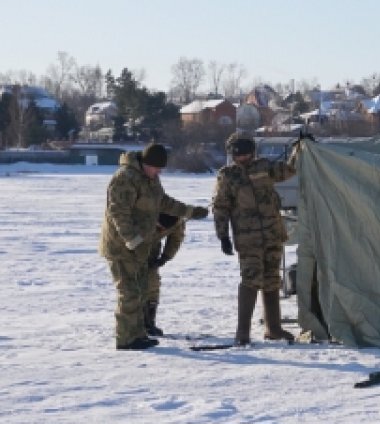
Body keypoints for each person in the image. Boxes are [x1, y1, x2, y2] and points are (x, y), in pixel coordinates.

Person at [99, 144, 209, 350]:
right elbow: (118, 213)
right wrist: (131, 239)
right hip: (121, 247)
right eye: (156, 168)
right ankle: (126, 339)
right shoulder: (124, 178)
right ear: (145, 163)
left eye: (161, 170)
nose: (159, 173)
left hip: (141, 246)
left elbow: (163, 202)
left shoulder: (150, 179)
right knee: (129, 291)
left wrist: (189, 211)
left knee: (141, 290)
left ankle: (138, 334)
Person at [212, 133, 301, 345]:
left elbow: (289, 170)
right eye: (237, 155)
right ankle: (242, 332)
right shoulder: (227, 176)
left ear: (252, 152)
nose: (241, 158)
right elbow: (220, 207)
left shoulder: (264, 168)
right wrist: (222, 235)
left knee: (271, 280)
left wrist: (300, 148)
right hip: (248, 238)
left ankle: (274, 329)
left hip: (272, 234)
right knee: (251, 280)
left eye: (245, 154)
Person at [144, 212, 187, 336]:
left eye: (162, 229)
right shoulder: (142, 211)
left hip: (152, 251)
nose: (160, 230)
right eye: (157, 227)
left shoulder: (177, 219)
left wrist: (165, 257)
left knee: (152, 284)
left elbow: (176, 238)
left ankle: (148, 323)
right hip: (129, 246)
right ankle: (132, 324)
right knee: (131, 286)